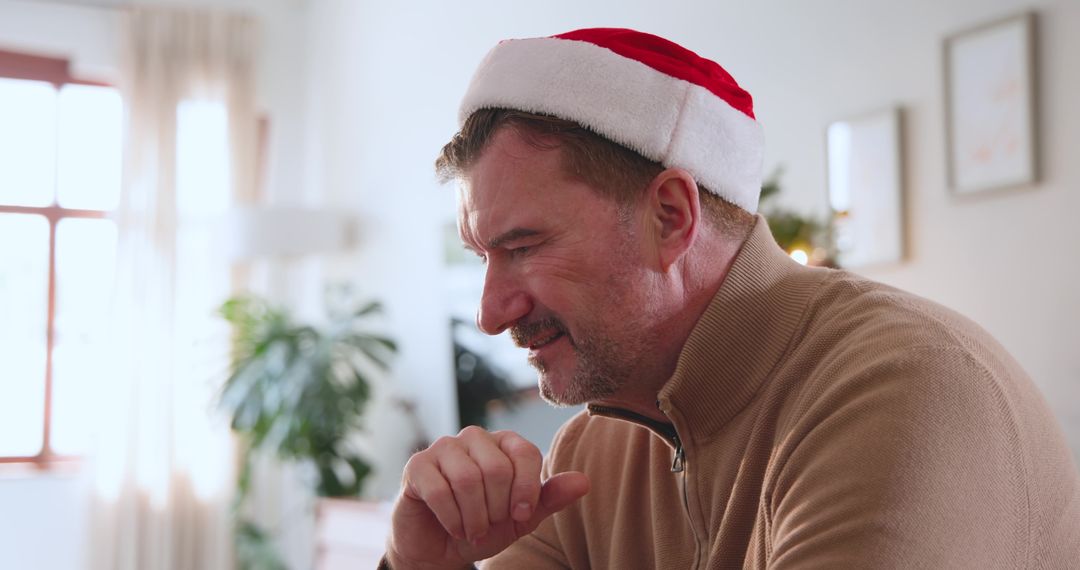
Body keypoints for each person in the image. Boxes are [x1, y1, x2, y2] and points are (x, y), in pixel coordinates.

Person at [382, 28, 1080, 569]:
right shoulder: (593, 448)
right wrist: (420, 564)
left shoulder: (906, 390)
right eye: (483, 257)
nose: (490, 311)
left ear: (671, 217)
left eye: (525, 247)